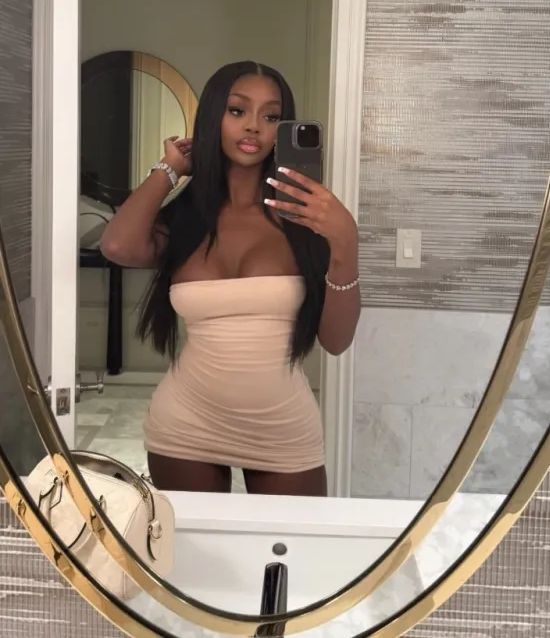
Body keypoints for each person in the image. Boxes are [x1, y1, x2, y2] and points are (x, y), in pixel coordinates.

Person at [100, 61, 360, 497]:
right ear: (211, 118)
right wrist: (169, 168)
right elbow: (117, 245)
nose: (254, 126)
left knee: (292, 542)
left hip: (283, 430)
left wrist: (346, 244)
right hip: (186, 424)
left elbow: (336, 341)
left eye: (271, 116)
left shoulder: (306, 221)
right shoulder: (184, 222)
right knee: (192, 544)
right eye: (237, 111)